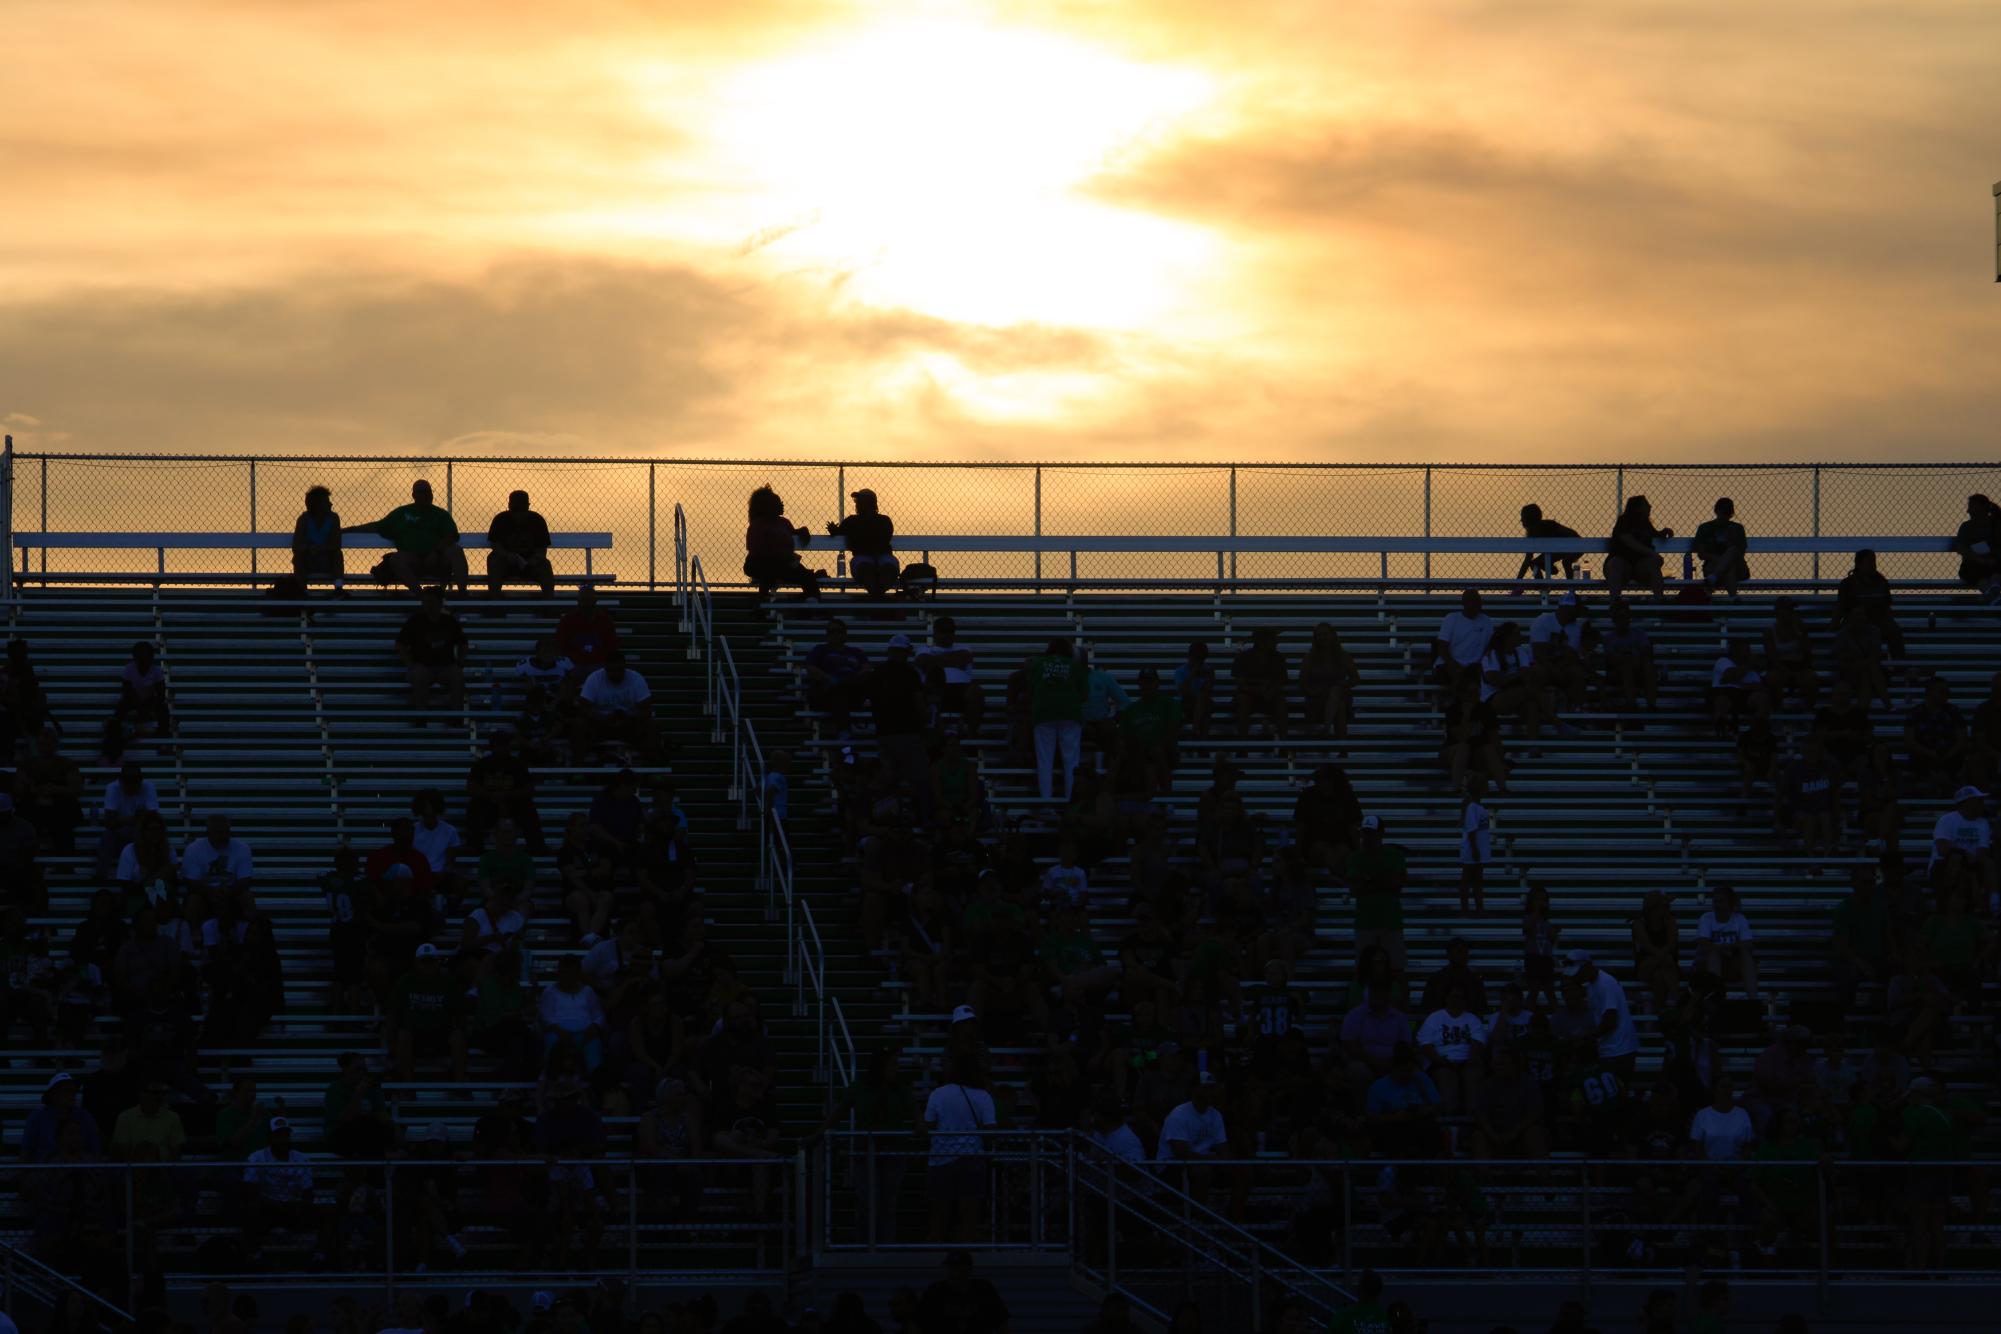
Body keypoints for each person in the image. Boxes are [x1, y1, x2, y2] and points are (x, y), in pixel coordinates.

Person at [924, 1056, 998, 1243]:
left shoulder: (937, 1094)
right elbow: (991, 1129)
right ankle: (966, 1255)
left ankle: (935, 1255)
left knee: (939, 1214)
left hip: (941, 1158)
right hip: (971, 1157)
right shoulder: (983, 1095)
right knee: (969, 1215)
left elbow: (928, 1125)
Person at [345, 479, 466, 593]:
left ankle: (462, 595)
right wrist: (348, 530)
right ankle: (420, 595)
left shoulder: (440, 515)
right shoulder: (402, 513)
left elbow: (452, 536)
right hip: (413, 562)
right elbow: (377, 526)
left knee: (456, 551)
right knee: (396, 559)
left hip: (437, 561)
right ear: (414, 495)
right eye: (422, 492)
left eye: (429, 492)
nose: (427, 495)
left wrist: (436, 552)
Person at [1027, 639, 1088, 803]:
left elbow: (1030, 690)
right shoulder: (1075, 665)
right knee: (1071, 761)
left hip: (1043, 714)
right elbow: (1084, 695)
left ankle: (1046, 803)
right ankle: (1071, 802)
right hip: (1070, 714)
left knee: (1045, 761)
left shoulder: (1038, 664)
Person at [1561, 950, 1639, 1078]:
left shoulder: (1605, 983)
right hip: (1611, 1049)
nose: (1577, 977)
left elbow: (1610, 1021)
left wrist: (1586, 1037)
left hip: (1618, 1051)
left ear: (1587, 966)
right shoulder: (1592, 985)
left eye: (1578, 973)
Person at [395, 586, 468, 714]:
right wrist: (410, 664)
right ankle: (420, 714)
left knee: (457, 675)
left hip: (446, 666)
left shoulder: (449, 621)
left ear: (440, 603)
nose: (428, 605)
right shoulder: (415, 621)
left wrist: (460, 662)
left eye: (432, 602)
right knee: (418, 675)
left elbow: (463, 643)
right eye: (426, 601)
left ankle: (456, 714)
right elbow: (400, 644)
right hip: (422, 665)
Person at [743, 485, 819, 599]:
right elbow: (757, 551)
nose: (782, 504)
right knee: (770, 570)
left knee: (807, 576)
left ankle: (812, 604)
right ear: (768, 506)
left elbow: (792, 533)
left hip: (783, 564)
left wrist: (802, 531)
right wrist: (784, 557)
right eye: (778, 502)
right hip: (758, 563)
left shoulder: (784, 522)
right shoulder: (757, 525)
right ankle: (762, 602)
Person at [578, 651, 657, 759]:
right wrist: (602, 717)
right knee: (579, 724)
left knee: (650, 725)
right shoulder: (594, 678)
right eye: (611, 670)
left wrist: (628, 717)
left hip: (628, 726)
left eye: (619, 670)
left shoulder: (636, 678)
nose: (615, 673)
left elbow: (646, 710)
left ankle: (652, 767)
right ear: (605, 668)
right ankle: (579, 767)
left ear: (625, 667)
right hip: (601, 726)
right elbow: (583, 708)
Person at [914, 616, 983, 734]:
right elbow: (925, 662)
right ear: (935, 633)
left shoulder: (964, 648)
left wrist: (936, 660)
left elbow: (962, 659)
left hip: (961, 690)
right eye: (943, 631)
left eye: (950, 631)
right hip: (933, 688)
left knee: (976, 691)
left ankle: (969, 732)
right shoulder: (923, 649)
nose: (947, 635)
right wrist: (952, 660)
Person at [916, 1251, 1010, 1334]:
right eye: (952, 1267)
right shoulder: (935, 1292)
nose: (955, 1272)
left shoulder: (984, 1289)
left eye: (959, 1267)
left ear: (969, 1269)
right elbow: (920, 1323)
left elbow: (1001, 1323)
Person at [829, 488, 899, 597]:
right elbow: (837, 532)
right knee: (866, 569)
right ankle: (879, 598)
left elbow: (884, 539)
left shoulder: (883, 520)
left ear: (870, 503)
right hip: (867, 557)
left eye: (860, 501)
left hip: (877, 556)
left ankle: (876, 599)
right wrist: (833, 530)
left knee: (888, 568)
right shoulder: (853, 520)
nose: (857, 504)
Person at [1836, 548, 1905, 658]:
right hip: (1856, 622)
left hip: (1879, 621)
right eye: (1869, 562)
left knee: (1893, 631)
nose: (1873, 565)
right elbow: (1841, 609)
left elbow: (1887, 606)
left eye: (1874, 562)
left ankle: (1900, 668)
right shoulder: (1848, 584)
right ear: (1858, 564)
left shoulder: (1881, 582)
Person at [485, 490, 555, 596]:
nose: (519, 514)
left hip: (530, 564)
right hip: (506, 563)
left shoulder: (537, 520)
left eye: (522, 509)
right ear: (509, 506)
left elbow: (542, 549)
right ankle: (495, 602)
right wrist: (507, 556)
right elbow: (495, 545)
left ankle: (549, 603)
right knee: (494, 561)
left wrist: (534, 560)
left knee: (545, 565)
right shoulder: (501, 519)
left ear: (528, 506)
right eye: (516, 509)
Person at [1298, 622, 1361, 738]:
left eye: (1326, 634)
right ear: (1316, 638)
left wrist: (1342, 683)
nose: (1323, 638)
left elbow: (1356, 678)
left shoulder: (1344, 656)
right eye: (1320, 635)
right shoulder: (1309, 658)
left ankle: (1327, 728)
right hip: (1317, 698)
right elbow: (1302, 683)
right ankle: (1343, 750)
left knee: (1337, 693)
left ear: (1333, 635)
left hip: (1339, 695)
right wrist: (1313, 692)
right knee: (1340, 706)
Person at [1695, 885, 1759, 999]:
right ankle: (1716, 999)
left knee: (1746, 955)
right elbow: (1703, 943)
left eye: (1721, 901)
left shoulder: (1739, 918)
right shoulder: (1706, 918)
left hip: (1731, 965)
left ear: (1730, 903)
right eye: (1715, 901)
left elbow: (1749, 944)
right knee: (1714, 954)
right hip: (1707, 967)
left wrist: (1730, 947)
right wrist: (1723, 949)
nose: (1717, 905)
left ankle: (1753, 1001)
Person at [1605, 495, 1672, 598]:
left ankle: (1659, 602)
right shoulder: (1624, 521)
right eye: (1646, 505)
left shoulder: (1645, 523)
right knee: (1616, 564)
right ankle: (1615, 602)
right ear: (1637, 508)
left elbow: (1653, 534)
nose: (1650, 506)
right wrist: (1652, 553)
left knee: (1652, 564)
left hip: (1640, 566)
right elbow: (1629, 540)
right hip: (1623, 563)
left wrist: (1662, 533)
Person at [1429, 589, 1495, 691]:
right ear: (1463, 603)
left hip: (1474, 667)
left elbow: (1490, 647)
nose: (1473, 604)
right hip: (1448, 665)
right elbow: (1442, 646)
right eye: (1470, 601)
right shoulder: (1451, 618)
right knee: (1458, 673)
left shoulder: (1486, 621)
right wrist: (1453, 663)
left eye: (1476, 601)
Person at [1599, 600, 1659, 710]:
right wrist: (1630, 660)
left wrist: (1633, 660)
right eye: (1619, 617)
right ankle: (1631, 705)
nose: (1622, 621)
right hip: (1618, 672)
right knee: (1626, 668)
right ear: (1614, 619)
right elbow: (1611, 659)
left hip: (1638, 668)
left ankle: (1651, 705)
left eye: (1624, 617)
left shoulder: (1639, 633)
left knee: (1649, 667)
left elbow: (1647, 652)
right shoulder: (1608, 638)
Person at [1232, 626, 1289, 737]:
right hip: (1249, 695)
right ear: (1260, 641)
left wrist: (1271, 691)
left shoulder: (1278, 658)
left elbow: (1281, 681)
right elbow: (1240, 684)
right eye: (1272, 640)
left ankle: (1284, 745)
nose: (1276, 643)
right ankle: (1242, 746)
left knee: (1281, 703)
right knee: (1243, 701)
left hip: (1270, 696)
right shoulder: (1244, 657)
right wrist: (1259, 690)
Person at [1692, 497, 1749, 594]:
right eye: (1723, 512)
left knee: (1733, 551)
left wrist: (1731, 539)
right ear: (1716, 511)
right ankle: (1733, 599)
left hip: (1738, 568)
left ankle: (1713, 578)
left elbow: (1740, 553)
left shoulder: (1737, 528)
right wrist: (1718, 559)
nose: (1724, 516)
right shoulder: (1705, 528)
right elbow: (1701, 554)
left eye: (1727, 513)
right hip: (1714, 565)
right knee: (1729, 566)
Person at [291, 485, 344, 586]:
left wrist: (321, 549)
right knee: (298, 557)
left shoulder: (333, 518)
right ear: (317, 505)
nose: (330, 504)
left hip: (327, 561)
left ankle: (338, 589)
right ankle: (302, 590)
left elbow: (336, 544)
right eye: (326, 501)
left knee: (337, 554)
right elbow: (296, 546)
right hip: (309, 561)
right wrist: (310, 548)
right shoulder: (304, 519)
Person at [1950, 493, 2001, 595]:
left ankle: (1992, 592)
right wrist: (1981, 560)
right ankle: (1992, 594)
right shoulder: (1967, 527)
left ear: (1981, 510)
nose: (1968, 511)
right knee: (1978, 573)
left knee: (1995, 571)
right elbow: (1961, 547)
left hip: (1993, 563)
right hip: (1974, 564)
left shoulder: (1997, 524)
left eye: (1971, 508)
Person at [1516, 504, 1581, 582]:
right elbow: (1528, 558)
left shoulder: (1546, 526)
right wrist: (1518, 581)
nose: (1521, 520)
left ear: (1530, 519)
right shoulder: (1532, 533)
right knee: (1534, 563)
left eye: (1523, 517)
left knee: (1566, 562)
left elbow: (1528, 558)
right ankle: (1542, 585)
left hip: (1573, 543)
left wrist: (1517, 581)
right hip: (1558, 549)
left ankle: (1571, 589)